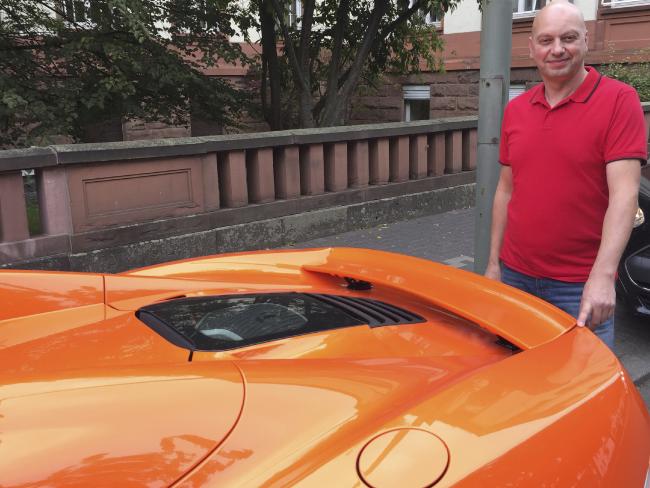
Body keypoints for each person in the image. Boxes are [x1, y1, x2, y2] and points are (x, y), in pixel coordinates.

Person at [484, 0, 647, 349]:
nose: (557, 49)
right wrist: (493, 265)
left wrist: (603, 276)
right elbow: (505, 191)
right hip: (514, 277)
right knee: (515, 374)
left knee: (582, 378)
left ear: (586, 40)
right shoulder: (516, 109)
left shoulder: (619, 101)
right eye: (546, 40)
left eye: (568, 38)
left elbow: (624, 194)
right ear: (532, 48)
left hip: (579, 286)